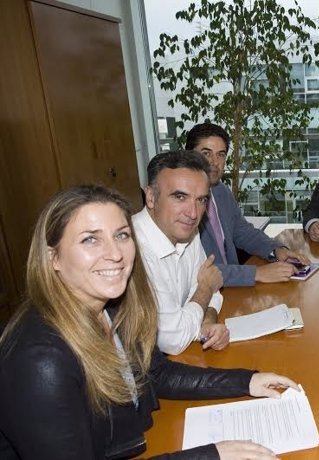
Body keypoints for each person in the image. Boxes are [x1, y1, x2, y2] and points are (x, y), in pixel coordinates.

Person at [0, 185, 299, 459]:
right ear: (53, 257)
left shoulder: (114, 306)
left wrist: (246, 380)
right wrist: (212, 455)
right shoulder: (38, 358)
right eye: (91, 239)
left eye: (121, 235)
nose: (115, 254)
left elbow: (155, 374)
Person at [186, 122, 310, 286]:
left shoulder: (220, 191)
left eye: (221, 154)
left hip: (231, 289)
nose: (214, 162)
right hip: (202, 297)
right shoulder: (182, 203)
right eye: (206, 153)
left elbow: (243, 232)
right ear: (189, 155)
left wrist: (276, 250)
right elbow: (197, 270)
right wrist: (255, 273)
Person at [134, 150, 228, 355]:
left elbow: (213, 291)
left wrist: (208, 321)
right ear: (150, 197)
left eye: (201, 200)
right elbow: (173, 340)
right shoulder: (133, 250)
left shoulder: (187, 231)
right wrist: (204, 290)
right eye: (180, 197)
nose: (193, 213)